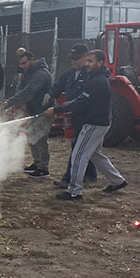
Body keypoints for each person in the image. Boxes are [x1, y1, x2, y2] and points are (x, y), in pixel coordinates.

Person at [45, 49, 127, 200]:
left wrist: (57, 109)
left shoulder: (97, 82)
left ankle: (74, 191)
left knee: (78, 154)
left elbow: (80, 102)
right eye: (86, 61)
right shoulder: (95, 78)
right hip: (99, 122)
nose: (87, 64)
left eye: (90, 61)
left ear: (100, 63)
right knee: (95, 155)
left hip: (94, 123)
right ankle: (117, 181)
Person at [48, 43, 97, 188]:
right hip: (73, 115)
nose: (73, 62)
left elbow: (83, 99)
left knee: (78, 147)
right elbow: (58, 87)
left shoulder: (90, 75)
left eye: (76, 59)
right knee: (81, 147)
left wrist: (58, 109)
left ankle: (69, 178)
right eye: (72, 59)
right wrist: (49, 95)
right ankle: (90, 173)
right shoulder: (69, 74)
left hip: (87, 115)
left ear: (85, 57)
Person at [2, 50, 53, 178]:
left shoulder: (42, 74)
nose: (23, 66)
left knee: (40, 138)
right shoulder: (28, 72)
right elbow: (21, 87)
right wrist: (14, 100)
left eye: (24, 63)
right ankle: (36, 163)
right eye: (21, 65)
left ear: (32, 59)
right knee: (32, 136)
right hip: (32, 110)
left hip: (43, 111)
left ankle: (43, 168)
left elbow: (30, 90)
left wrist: (11, 101)